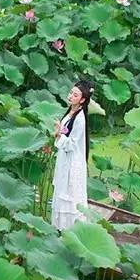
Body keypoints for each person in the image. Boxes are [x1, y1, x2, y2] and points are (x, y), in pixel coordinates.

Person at [51, 80, 92, 230]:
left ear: (82, 100)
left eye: (75, 95)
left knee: (71, 196)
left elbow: (72, 144)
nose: (71, 96)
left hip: (72, 162)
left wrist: (57, 135)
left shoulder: (80, 119)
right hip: (64, 159)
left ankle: (70, 230)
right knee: (62, 191)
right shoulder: (71, 111)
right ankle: (59, 228)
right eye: (71, 93)